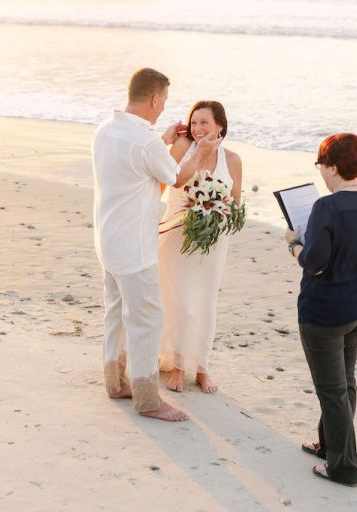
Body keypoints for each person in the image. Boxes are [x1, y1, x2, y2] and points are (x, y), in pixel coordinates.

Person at [92, 68, 220, 422]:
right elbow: (177, 176)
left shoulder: (106, 130)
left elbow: (136, 163)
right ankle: (148, 400)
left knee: (116, 314)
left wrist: (162, 140)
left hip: (107, 239)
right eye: (163, 102)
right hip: (134, 247)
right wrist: (197, 151)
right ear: (154, 99)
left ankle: (115, 382)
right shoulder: (145, 142)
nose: (163, 109)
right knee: (148, 319)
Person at [284, 133, 357, 486]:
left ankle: (343, 467)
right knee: (345, 382)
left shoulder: (325, 208)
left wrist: (295, 243)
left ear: (332, 167)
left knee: (332, 391)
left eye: (321, 165)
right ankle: (329, 446)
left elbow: (312, 264)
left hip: (325, 312)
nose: (321, 173)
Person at [157, 101, 243, 393]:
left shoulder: (232, 160)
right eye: (194, 123)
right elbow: (175, 180)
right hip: (177, 236)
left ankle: (202, 368)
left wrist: (217, 211)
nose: (198, 128)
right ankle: (179, 366)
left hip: (213, 241)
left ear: (220, 125)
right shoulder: (183, 149)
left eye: (205, 123)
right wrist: (200, 153)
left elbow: (236, 203)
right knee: (182, 302)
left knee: (206, 303)